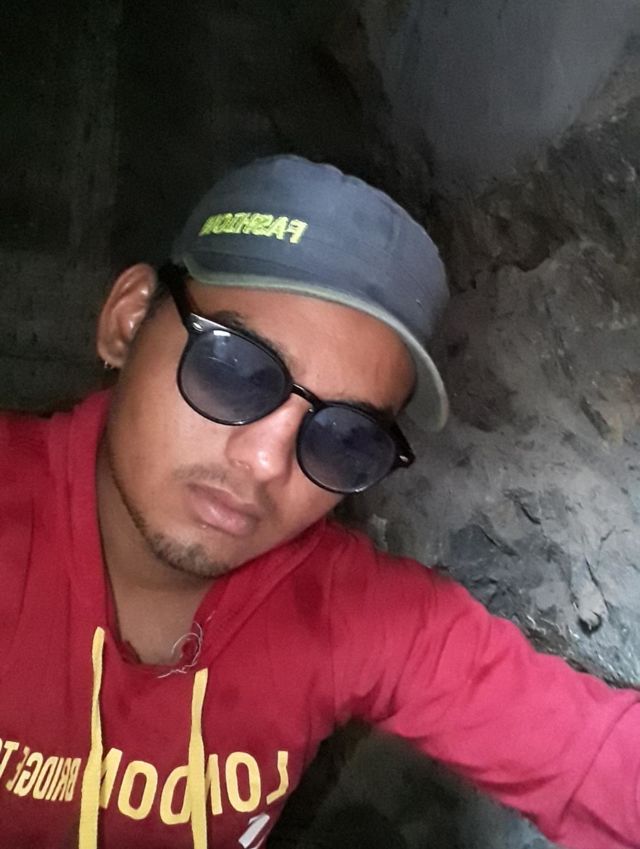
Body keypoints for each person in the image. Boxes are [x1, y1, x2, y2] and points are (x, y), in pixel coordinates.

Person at [0, 155, 636, 849]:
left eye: (344, 438)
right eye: (233, 369)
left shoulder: (345, 605)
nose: (266, 462)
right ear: (127, 322)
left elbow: (591, 755)